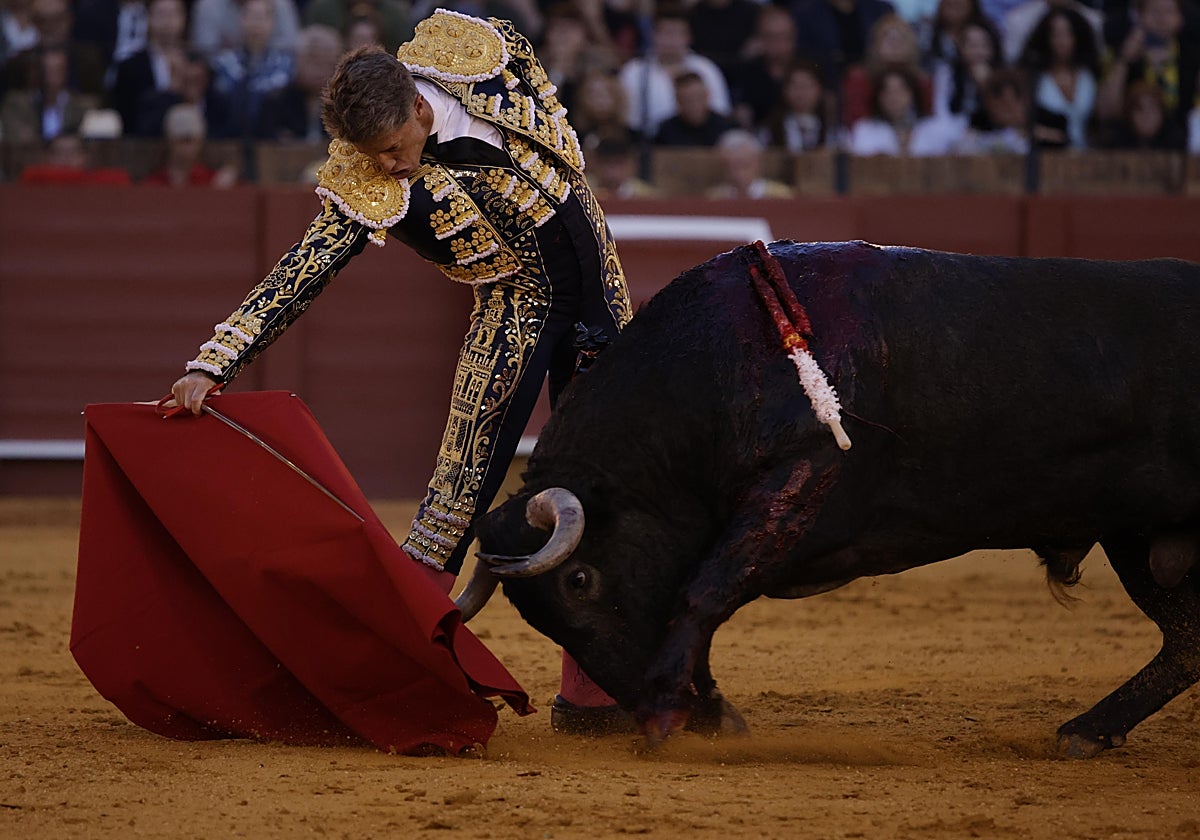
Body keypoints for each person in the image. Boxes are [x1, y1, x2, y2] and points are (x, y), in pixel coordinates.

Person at [168, 10, 633, 734]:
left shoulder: (474, 52)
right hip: (515, 303)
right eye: (372, 155)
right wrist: (215, 359)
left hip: (594, 276)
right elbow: (303, 270)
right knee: (456, 493)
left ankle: (596, 693)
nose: (386, 166)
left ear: (418, 106)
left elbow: (532, 78)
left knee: (609, 485)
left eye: (391, 148)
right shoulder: (365, 179)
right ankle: (386, 678)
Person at [618, 4, 731, 137]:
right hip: (649, 142)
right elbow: (627, 119)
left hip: (702, 141)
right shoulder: (634, 72)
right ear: (653, 35)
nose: (671, 41)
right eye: (666, 33)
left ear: (689, 37)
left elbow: (720, 113)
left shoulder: (707, 69)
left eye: (677, 34)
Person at [1017, 6, 1099, 148]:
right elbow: (1017, 124)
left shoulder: (1090, 75)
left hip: (1088, 154)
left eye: (1068, 33)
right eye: (1056, 34)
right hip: (1048, 153)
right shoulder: (1032, 77)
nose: (1062, 41)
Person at [142, 100, 238, 184]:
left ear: (200, 141)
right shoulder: (153, 183)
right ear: (169, 141)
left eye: (190, 140)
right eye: (181, 140)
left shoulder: (213, 182)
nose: (185, 148)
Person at [654, 70, 738, 146]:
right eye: (687, 100)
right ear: (678, 101)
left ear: (707, 96)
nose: (694, 105)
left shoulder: (727, 128)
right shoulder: (666, 131)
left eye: (699, 98)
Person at [705, 128, 794, 198]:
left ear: (758, 163)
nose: (738, 174)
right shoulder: (714, 197)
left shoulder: (781, 196)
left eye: (744, 165)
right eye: (732, 167)